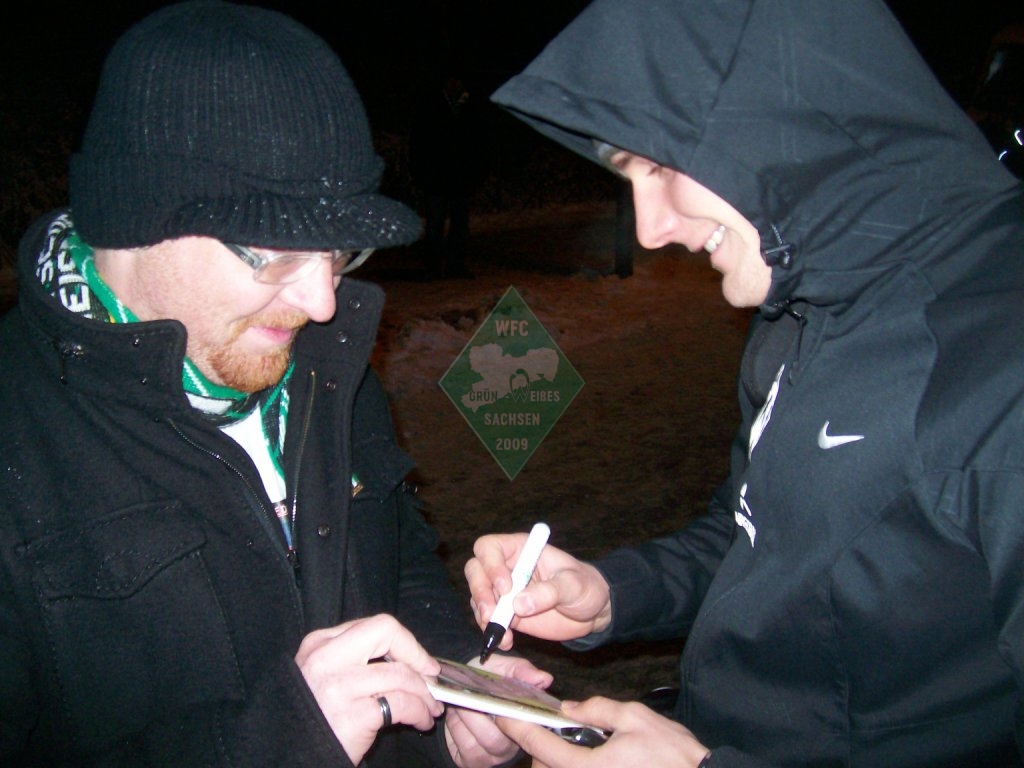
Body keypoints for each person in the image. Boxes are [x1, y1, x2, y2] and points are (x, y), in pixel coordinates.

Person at [465, 0, 1024, 766]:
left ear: (778, 119)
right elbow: (759, 535)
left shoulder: (999, 352)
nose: (651, 229)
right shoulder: (801, 304)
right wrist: (610, 593)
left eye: (661, 166)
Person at [0, 2, 550, 766]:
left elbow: (397, 563)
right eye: (279, 255)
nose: (322, 303)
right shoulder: (18, 439)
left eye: (338, 253)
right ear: (137, 220)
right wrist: (275, 743)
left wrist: (454, 694)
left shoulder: (323, 366)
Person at [409, 69, 491, 279]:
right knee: (435, 226)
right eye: (452, 80)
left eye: (458, 80)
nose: (455, 84)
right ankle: (433, 267)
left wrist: (477, 174)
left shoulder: (470, 107)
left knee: (459, 226)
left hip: (462, 179)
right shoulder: (432, 107)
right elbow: (419, 143)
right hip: (436, 178)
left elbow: (481, 144)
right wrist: (421, 174)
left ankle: (456, 266)